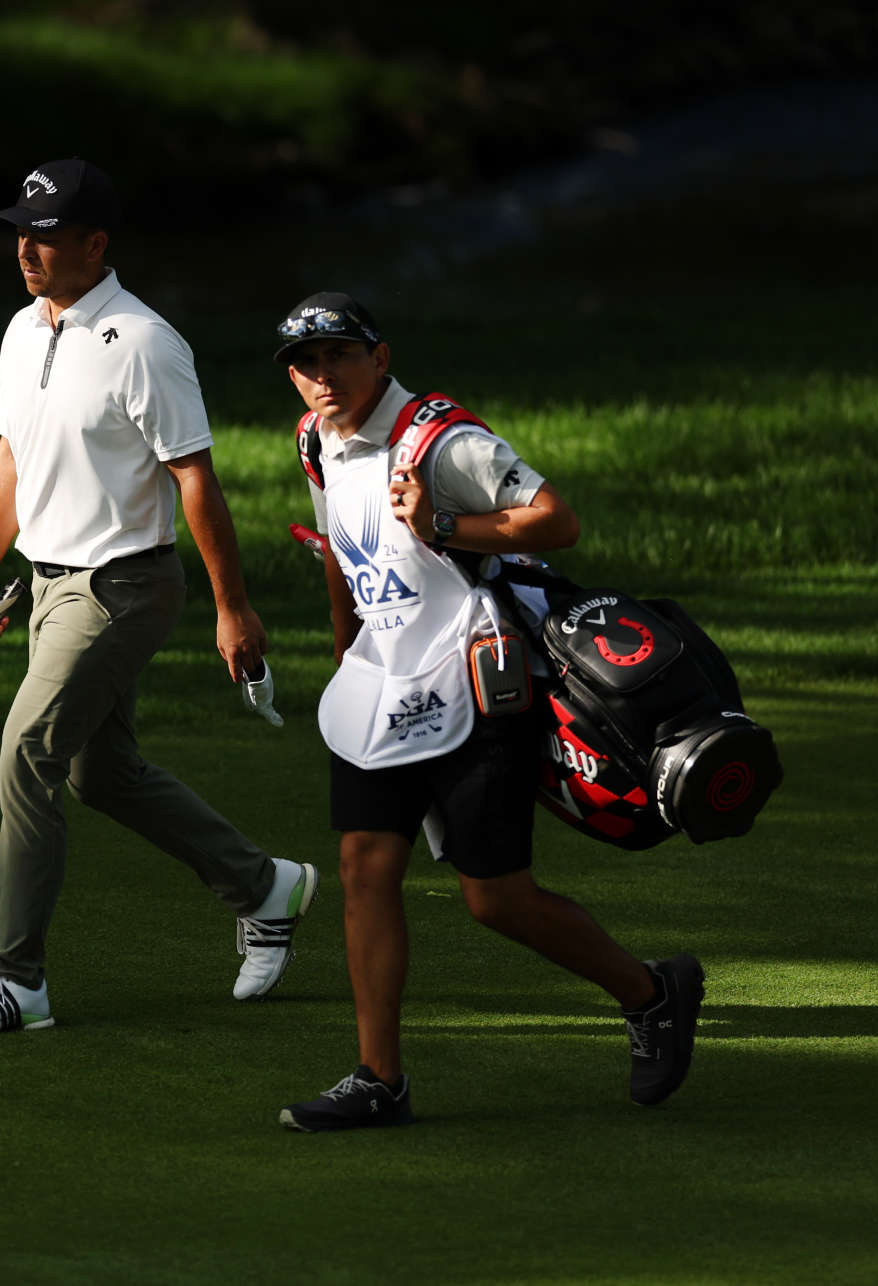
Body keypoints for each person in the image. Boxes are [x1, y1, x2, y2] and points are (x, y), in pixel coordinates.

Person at [269, 291, 703, 1130]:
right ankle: (378, 1080)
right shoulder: (314, 443)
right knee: (365, 867)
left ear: (380, 357)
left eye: (338, 357)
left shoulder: (439, 436)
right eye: (303, 364)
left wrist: (448, 522)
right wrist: (345, 646)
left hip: (476, 680)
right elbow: (342, 552)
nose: (321, 376)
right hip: (381, 682)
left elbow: (556, 522)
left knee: (494, 898)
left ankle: (651, 993)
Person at [0, 160, 317, 1034]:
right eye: (20, 231)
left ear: (95, 246)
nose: (27, 248)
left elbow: (196, 481)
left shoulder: (144, 341)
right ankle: (264, 883)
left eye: (47, 235)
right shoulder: (24, 331)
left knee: (27, 750)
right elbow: (11, 457)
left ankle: (14, 978)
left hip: (122, 587)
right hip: (50, 584)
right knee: (105, 773)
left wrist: (232, 605)